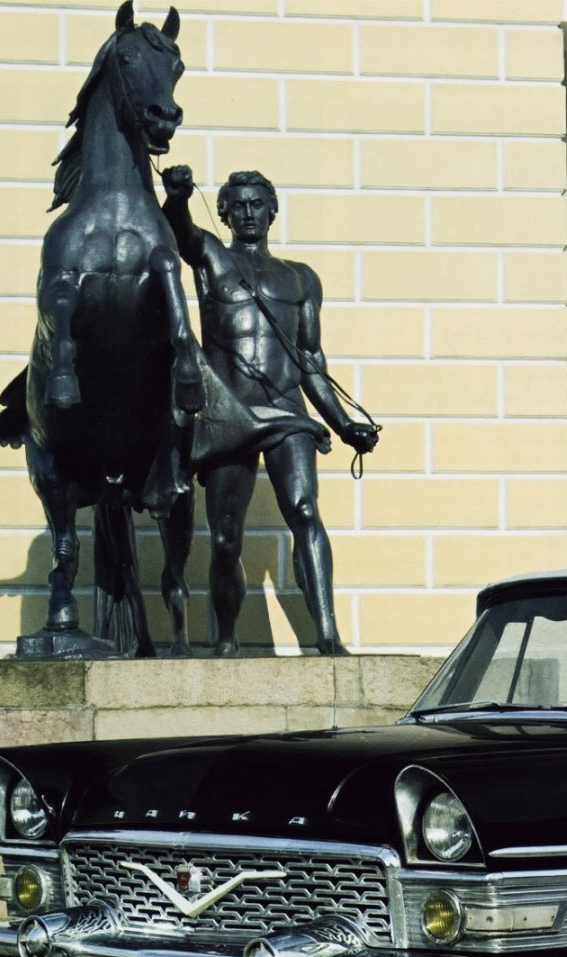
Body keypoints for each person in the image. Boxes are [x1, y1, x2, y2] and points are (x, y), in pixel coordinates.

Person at [160, 165, 378, 655]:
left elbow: (310, 362)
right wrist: (176, 196)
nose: (248, 213)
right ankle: (226, 640)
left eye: (257, 203)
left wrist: (343, 425)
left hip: (286, 413)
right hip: (228, 416)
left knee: (304, 511)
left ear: (273, 209)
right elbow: (182, 232)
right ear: (224, 213)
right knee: (225, 541)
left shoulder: (301, 279)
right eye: (237, 206)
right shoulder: (211, 257)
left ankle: (327, 636)